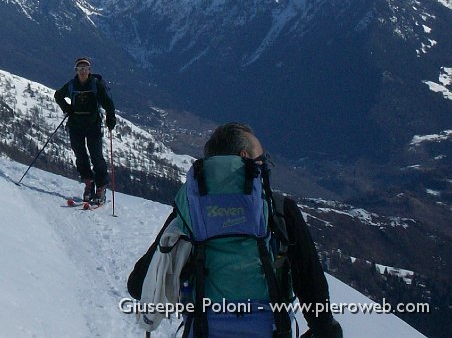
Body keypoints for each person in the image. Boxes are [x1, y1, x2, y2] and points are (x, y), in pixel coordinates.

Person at [128, 123, 343, 338]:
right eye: (262, 157)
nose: (265, 162)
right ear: (245, 156)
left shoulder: (189, 210)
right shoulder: (280, 210)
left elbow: (139, 284)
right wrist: (325, 329)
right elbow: (311, 285)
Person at [54, 57, 116, 204]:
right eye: (80, 68)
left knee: (96, 156)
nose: (83, 71)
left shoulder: (96, 85)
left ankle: (100, 186)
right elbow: (58, 95)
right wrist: (67, 108)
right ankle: (89, 183)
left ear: (89, 71)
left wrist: (110, 118)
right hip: (76, 126)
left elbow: (108, 103)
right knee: (80, 156)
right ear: (76, 70)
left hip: (93, 126)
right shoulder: (72, 85)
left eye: (85, 69)